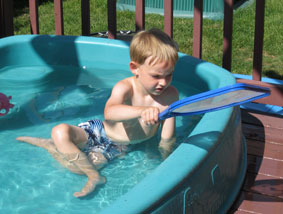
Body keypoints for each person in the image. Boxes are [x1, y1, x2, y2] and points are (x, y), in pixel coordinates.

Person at [16, 28, 179, 198]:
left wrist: (166, 161)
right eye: (156, 76)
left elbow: (167, 137)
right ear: (135, 68)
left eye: (169, 75)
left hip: (119, 145)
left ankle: (72, 161)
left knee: (76, 167)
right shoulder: (125, 88)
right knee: (59, 131)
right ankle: (90, 173)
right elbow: (110, 112)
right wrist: (141, 111)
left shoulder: (170, 96)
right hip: (99, 130)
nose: (163, 82)